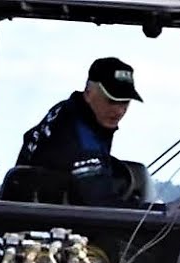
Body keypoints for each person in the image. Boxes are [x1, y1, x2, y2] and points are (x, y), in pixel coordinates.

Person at [16, 57, 143, 206]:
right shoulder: (80, 136)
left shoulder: (69, 110)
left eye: (125, 102)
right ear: (89, 93)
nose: (119, 110)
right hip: (42, 221)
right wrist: (156, 212)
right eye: (111, 100)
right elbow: (100, 205)